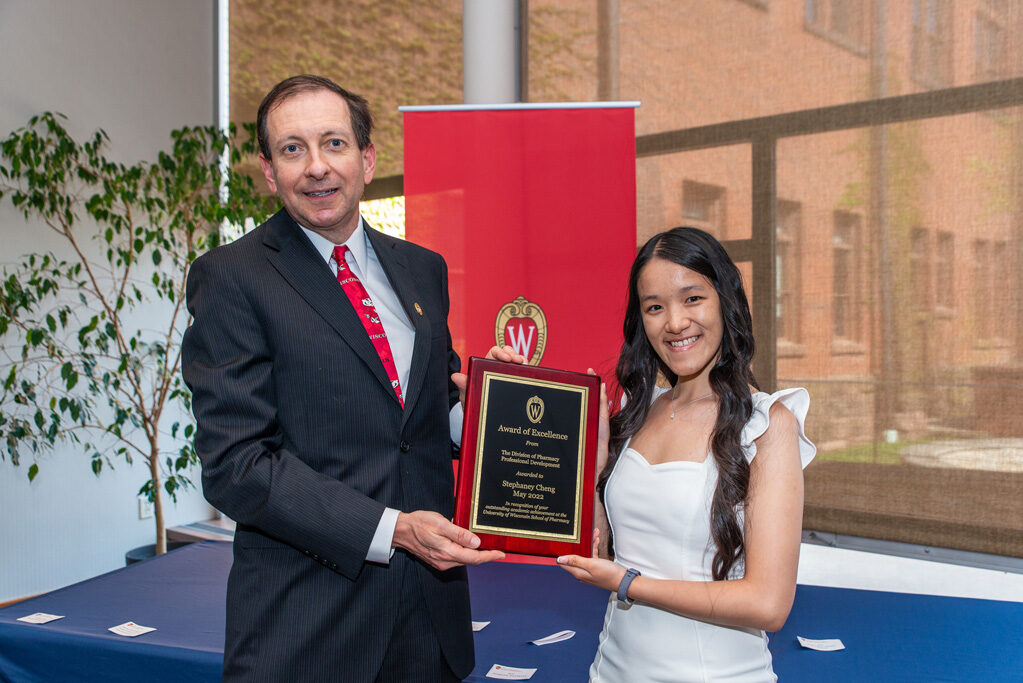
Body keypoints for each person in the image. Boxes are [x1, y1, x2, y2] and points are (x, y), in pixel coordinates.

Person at [181, 74, 509, 682]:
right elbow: (237, 465)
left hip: (428, 625)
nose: (316, 167)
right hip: (307, 628)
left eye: (333, 143)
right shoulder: (232, 277)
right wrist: (394, 530)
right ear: (268, 168)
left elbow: (429, 416)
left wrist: (498, 408)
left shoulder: (422, 269)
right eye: (292, 148)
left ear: (367, 157)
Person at [557, 227, 816, 682]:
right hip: (611, 671)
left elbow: (768, 605)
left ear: (725, 302)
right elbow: (601, 551)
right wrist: (593, 463)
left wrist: (627, 584)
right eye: (655, 307)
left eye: (692, 298)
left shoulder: (768, 424)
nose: (674, 322)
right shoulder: (639, 413)